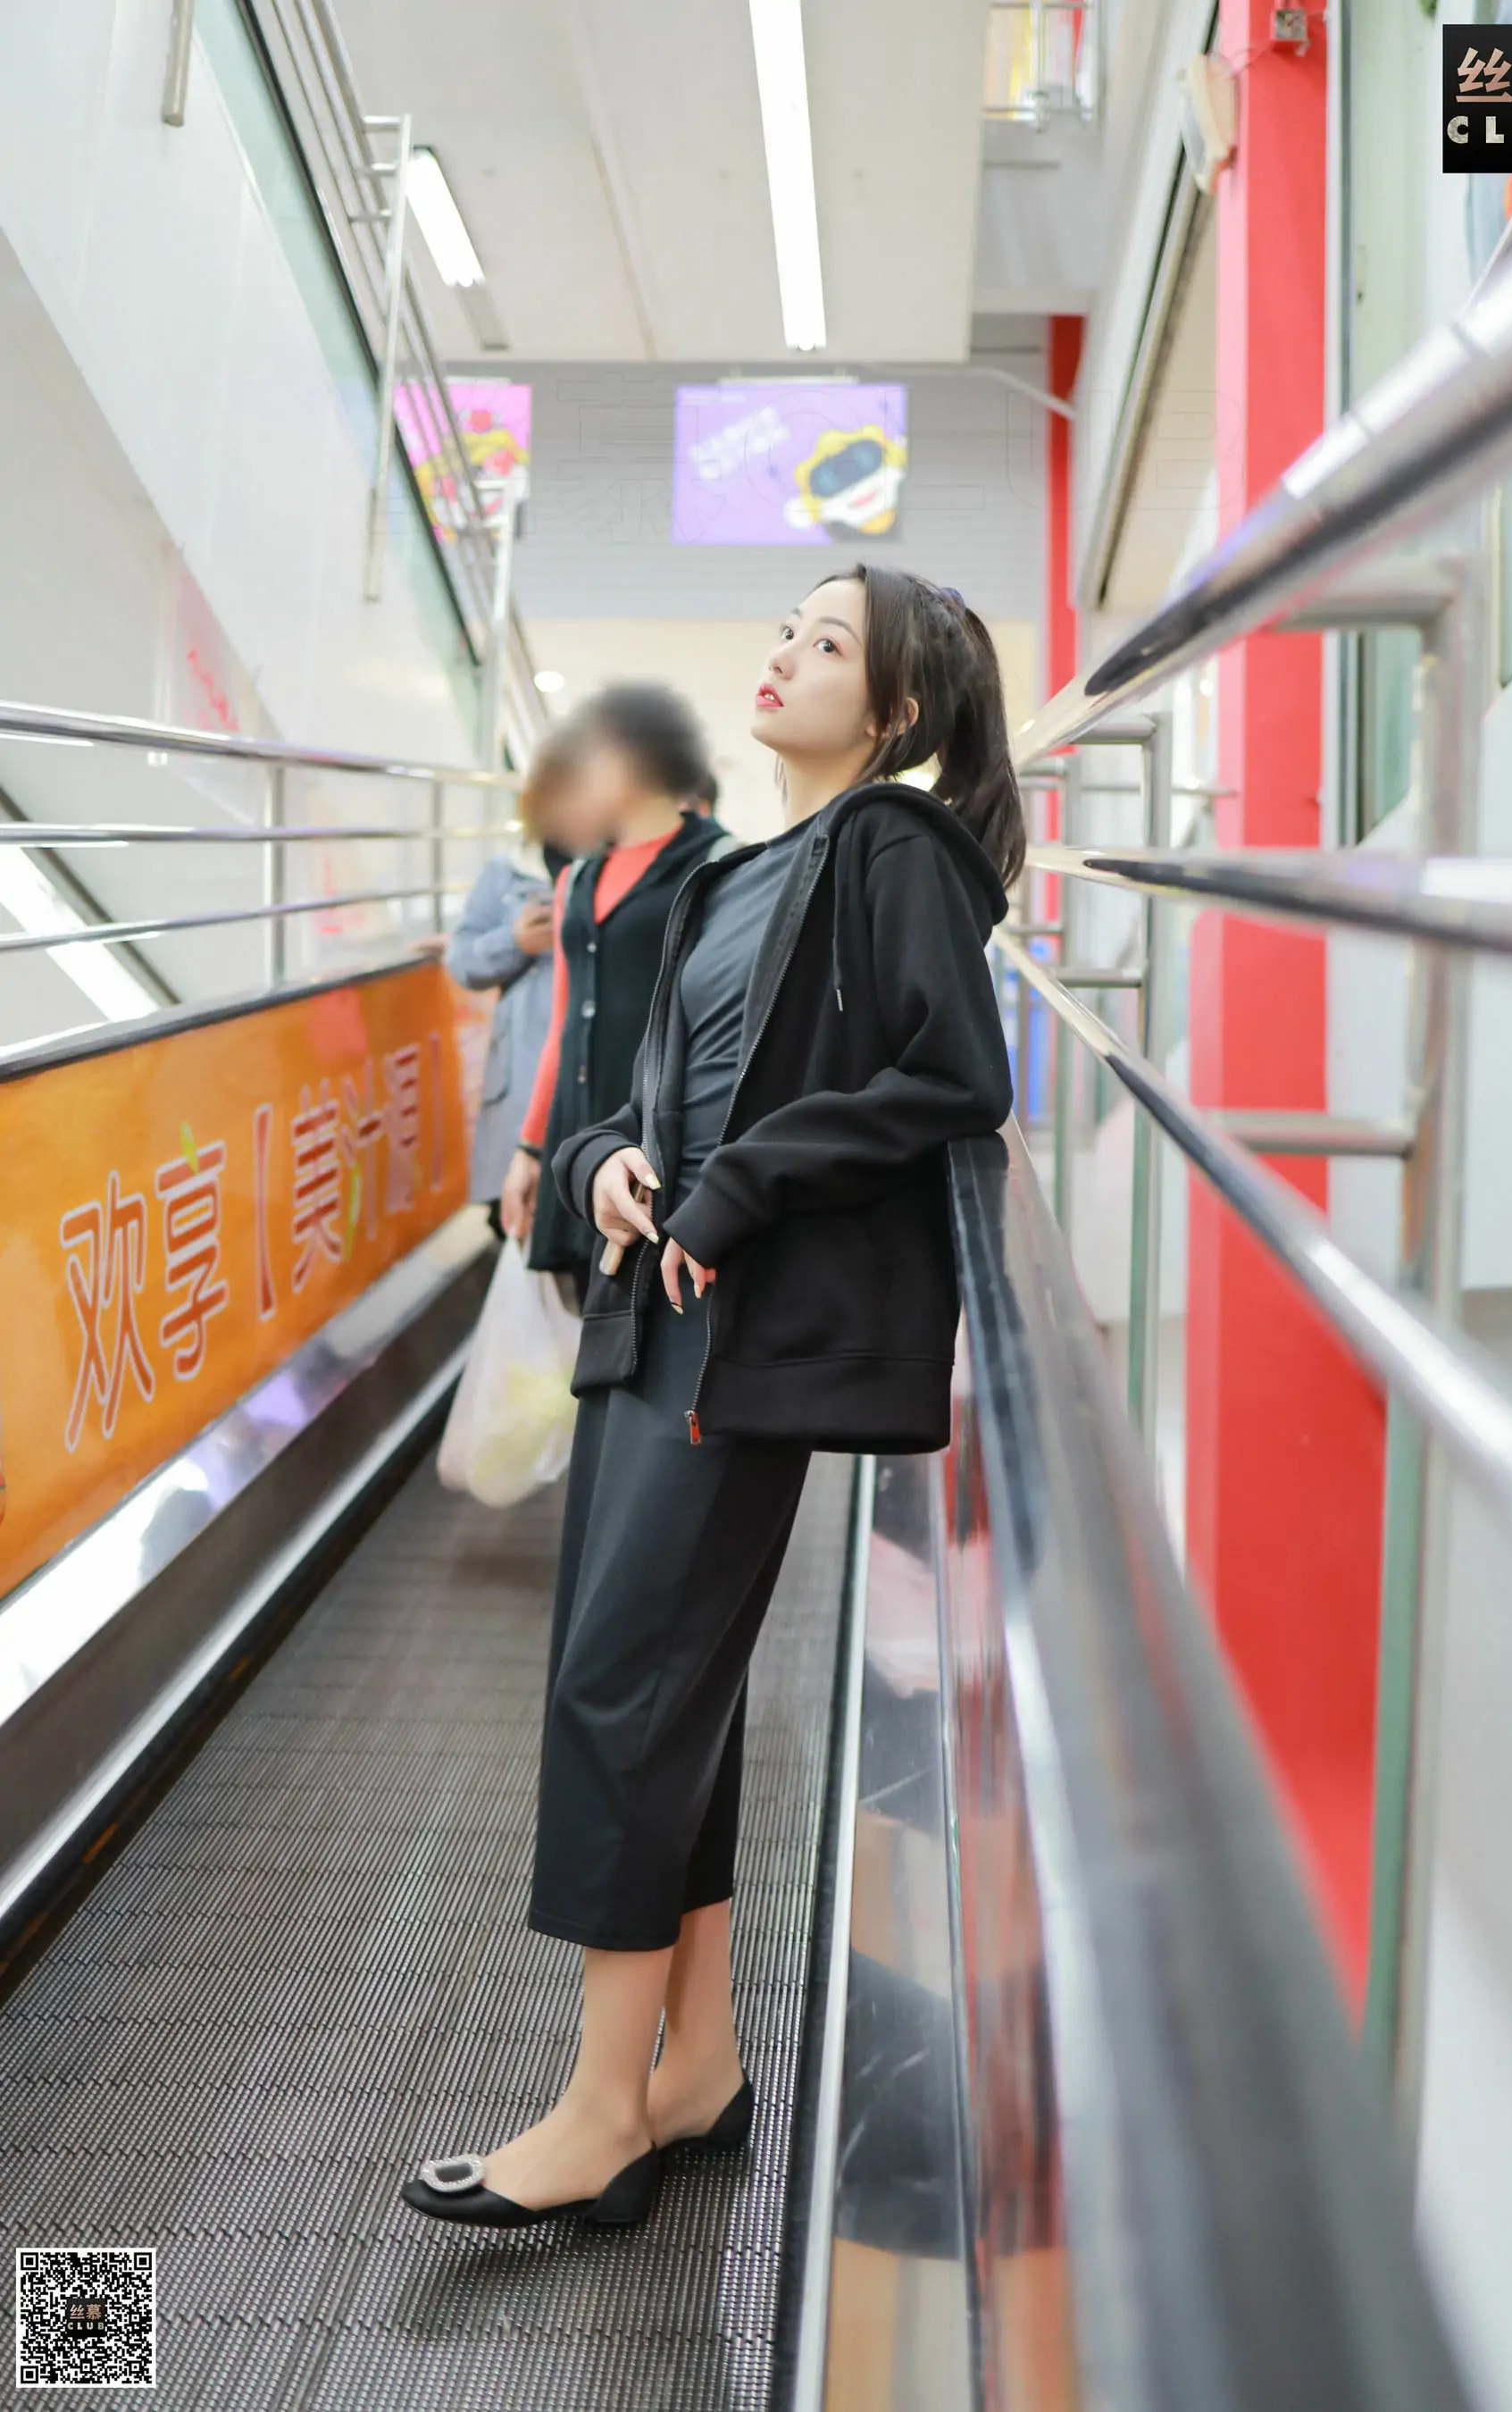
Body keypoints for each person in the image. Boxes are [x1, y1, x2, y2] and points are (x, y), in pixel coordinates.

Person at [403, 566, 1020, 2232]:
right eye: (788, 630)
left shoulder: (891, 850)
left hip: (736, 1341)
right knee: (649, 1689)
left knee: (627, 1685)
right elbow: (641, 1102)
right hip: (648, 1319)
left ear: (895, 710)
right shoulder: (736, 875)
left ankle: (602, 2112)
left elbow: (956, 1073)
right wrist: (605, 1165)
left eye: (829, 643)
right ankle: (698, 2066)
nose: (785, 654)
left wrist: (742, 1183)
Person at [499, 685, 729, 1300]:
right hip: (577, 1148)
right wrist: (530, 1146)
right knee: (580, 1316)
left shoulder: (720, 864)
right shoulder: (578, 878)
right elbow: (564, 1025)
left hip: (659, 1153)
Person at [438, 737, 576, 1235]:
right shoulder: (506, 873)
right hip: (520, 1086)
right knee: (514, 1224)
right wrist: (514, 941)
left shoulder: (612, 866)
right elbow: (462, 961)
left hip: (584, 1082)